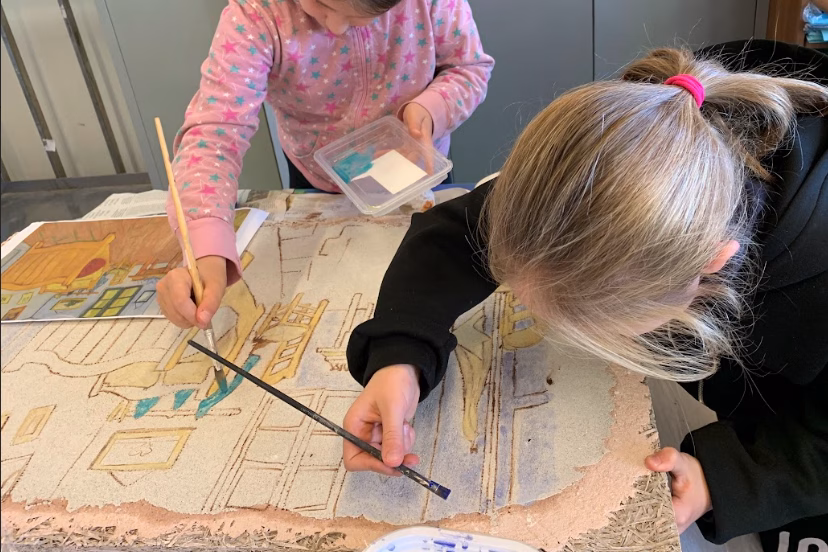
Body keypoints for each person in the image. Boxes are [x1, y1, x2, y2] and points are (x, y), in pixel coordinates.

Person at [342, 40, 827, 551]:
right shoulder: (625, 152)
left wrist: (725, 477)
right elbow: (457, 235)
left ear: (712, 260)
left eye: (605, 326)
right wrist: (399, 354)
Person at [157, 0, 494, 329]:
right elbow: (215, 134)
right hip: (319, 178)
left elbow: (469, 69)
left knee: (429, 270)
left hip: (416, 167)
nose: (335, 27)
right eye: (321, 5)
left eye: (362, 16)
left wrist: (431, 110)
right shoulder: (255, 13)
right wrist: (206, 246)